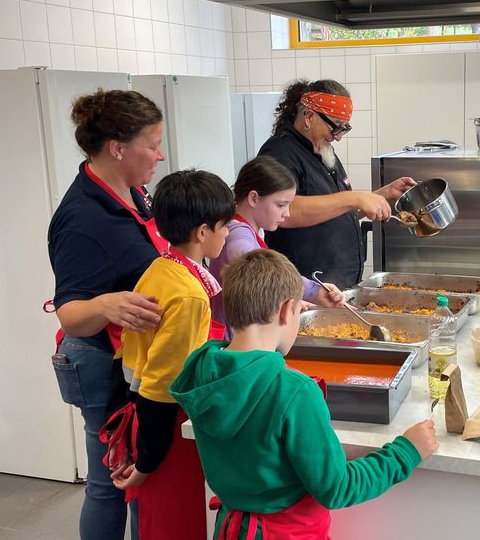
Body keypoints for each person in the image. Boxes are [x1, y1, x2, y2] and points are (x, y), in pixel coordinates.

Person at [169, 249, 438, 540]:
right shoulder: (294, 391)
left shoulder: (203, 374)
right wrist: (406, 452)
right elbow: (337, 488)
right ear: (287, 310)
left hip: (232, 529)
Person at [47, 88, 166, 540]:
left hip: (130, 354)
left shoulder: (134, 192)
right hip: (96, 357)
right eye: (152, 144)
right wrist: (104, 303)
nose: (160, 153)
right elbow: (71, 314)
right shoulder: (82, 218)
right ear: (118, 148)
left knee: (135, 472)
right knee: (110, 482)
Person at [105, 169, 235, 539]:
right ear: (202, 232)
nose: (227, 235)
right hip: (167, 428)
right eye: (224, 227)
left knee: (155, 521)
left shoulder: (161, 268)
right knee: (174, 523)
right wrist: (148, 460)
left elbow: (130, 359)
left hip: (140, 415)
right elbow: (163, 389)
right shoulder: (190, 296)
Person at [258, 79, 416, 289]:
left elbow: (335, 209)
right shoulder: (280, 153)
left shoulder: (323, 151)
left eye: (344, 128)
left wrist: (382, 195)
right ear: (309, 116)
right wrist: (354, 197)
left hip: (336, 285)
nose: (339, 137)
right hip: (304, 288)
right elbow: (285, 212)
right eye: (335, 127)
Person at [209, 155, 346, 339]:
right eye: (281, 205)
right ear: (254, 198)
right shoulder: (238, 233)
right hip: (231, 342)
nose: (287, 213)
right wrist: (312, 291)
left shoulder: (245, 229)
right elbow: (255, 268)